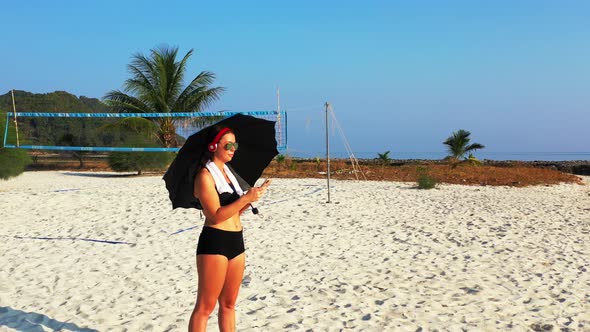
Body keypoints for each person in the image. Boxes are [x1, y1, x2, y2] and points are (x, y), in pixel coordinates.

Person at [188, 126, 271, 332]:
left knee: (229, 305)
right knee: (205, 307)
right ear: (213, 146)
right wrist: (245, 197)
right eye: (229, 145)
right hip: (215, 241)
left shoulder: (229, 175)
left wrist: (253, 197)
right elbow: (215, 215)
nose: (233, 149)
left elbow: (233, 212)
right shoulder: (205, 176)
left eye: (236, 145)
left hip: (236, 241)